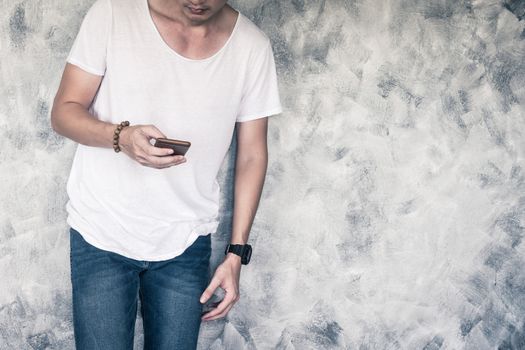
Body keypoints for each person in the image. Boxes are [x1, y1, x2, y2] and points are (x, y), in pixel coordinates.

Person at [50, 0, 282, 348]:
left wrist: (236, 254)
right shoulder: (113, 13)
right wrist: (121, 137)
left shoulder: (252, 47)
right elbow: (64, 112)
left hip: (185, 242)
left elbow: (252, 154)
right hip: (101, 231)